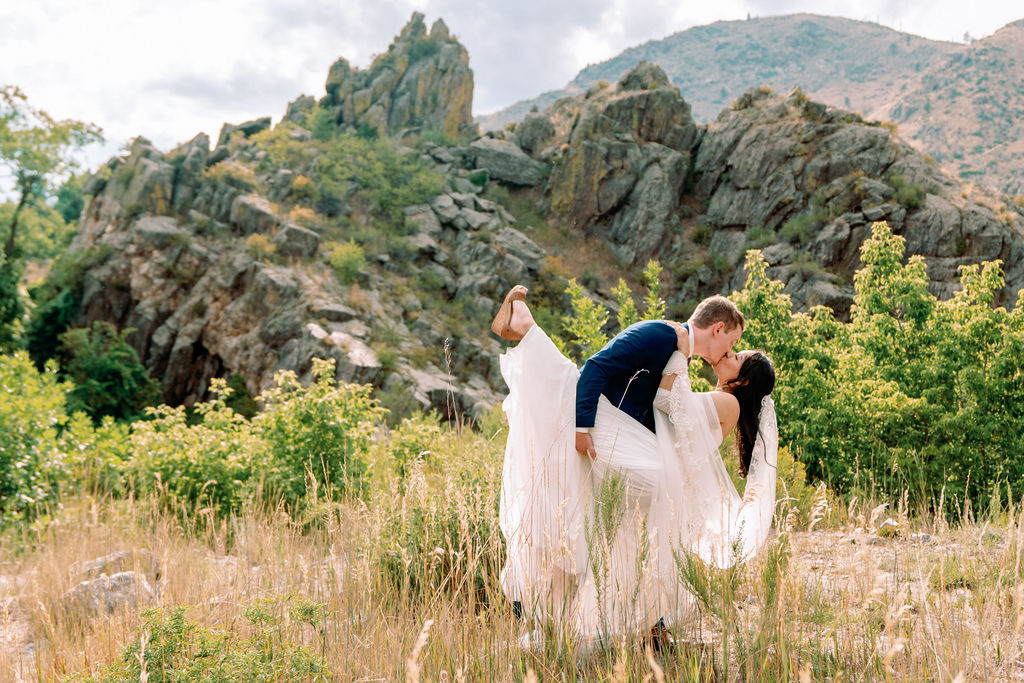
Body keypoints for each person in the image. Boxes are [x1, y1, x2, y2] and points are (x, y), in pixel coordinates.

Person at [492, 285, 777, 648]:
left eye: (735, 354)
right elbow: (602, 369)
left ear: (744, 380)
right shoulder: (662, 336)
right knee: (597, 529)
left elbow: (671, 406)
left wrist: (679, 361)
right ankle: (522, 322)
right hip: (625, 444)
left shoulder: (719, 395)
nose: (729, 352)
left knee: (608, 537)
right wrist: (584, 426)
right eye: (732, 345)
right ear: (718, 329)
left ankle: (623, 624)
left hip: (648, 464)